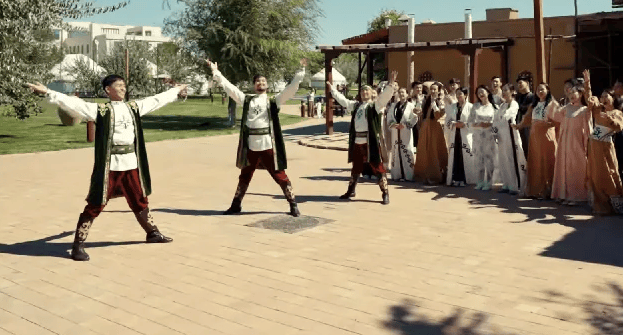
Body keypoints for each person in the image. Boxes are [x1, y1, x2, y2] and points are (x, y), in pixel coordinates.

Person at [25, 76, 187, 261]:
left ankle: (152, 233)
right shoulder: (100, 110)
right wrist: (48, 92)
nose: (123, 89)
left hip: (131, 163)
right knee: (96, 202)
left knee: (140, 199)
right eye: (118, 86)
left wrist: (176, 91)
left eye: (124, 85)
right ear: (108, 90)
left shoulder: (133, 107)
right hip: (110, 166)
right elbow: (73, 103)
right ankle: (78, 245)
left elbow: (156, 100)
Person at [209, 59, 306, 217]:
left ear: (267, 85)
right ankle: (236, 205)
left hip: (267, 144)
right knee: (245, 175)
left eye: (263, 81)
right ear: (254, 85)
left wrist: (300, 72)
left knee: (279, 174)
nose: (261, 83)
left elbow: (290, 89)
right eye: (258, 81)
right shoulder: (247, 100)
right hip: (251, 145)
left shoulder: (273, 100)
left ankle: (293, 204)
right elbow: (230, 88)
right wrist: (216, 72)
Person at [329, 72, 398, 204]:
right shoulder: (356, 105)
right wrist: (332, 89)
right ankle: (351, 190)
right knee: (356, 167)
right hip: (357, 141)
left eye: (367, 91)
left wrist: (390, 84)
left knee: (378, 167)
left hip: (370, 141)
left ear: (371, 93)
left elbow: (385, 97)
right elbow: (343, 101)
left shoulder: (375, 105)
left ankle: (385, 193)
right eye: (362, 91)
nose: (364, 93)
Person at [582, 70, 623, 215]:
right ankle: (600, 205)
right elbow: (588, 97)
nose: (603, 99)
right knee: (595, 175)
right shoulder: (597, 110)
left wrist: (610, 118)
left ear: (613, 99)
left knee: (609, 173)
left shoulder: (617, 113)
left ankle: (615, 204)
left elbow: (619, 127)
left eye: (607, 96)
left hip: (605, 147)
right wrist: (587, 82)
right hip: (593, 146)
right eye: (602, 96)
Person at [550, 82, 591, 206]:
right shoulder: (566, 108)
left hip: (577, 142)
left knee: (575, 167)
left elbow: (588, 128)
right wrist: (553, 103)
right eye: (570, 93)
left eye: (574, 92)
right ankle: (562, 194)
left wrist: (587, 143)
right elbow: (555, 116)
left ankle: (576, 196)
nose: (571, 95)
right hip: (564, 141)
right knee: (563, 166)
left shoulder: (584, 110)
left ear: (581, 94)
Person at [516, 82, 559, 200]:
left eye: (542, 89)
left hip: (547, 136)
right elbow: (526, 119)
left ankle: (549, 190)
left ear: (548, 90)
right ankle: (537, 190)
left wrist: (546, 124)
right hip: (534, 137)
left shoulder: (553, 104)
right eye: (538, 90)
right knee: (536, 161)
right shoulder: (533, 105)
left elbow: (558, 121)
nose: (540, 92)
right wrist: (518, 126)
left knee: (547, 160)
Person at [494, 84, 527, 195]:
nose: (503, 92)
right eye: (502, 90)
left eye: (506, 90)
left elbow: (507, 117)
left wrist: (500, 119)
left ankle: (515, 185)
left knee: (512, 158)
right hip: (501, 136)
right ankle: (506, 184)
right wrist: (495, 131)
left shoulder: (514, 104)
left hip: (511, 134)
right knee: (503, 159)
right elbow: (496, 120)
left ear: (512, 91)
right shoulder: (502, 105)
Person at [413, 82, 448, 185]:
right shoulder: (426, 100)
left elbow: (439, 115)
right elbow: (421, 113)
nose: (432, 91)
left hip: (435, 127)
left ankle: (436, 176)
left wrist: (434, 105)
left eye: (434, 89)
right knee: (424, 150)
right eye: (431, 89)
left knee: (434, 150)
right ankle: (424, 175)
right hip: (425, 127)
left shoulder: (441, 101)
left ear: (439, 90)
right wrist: (417, 110)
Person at [445, 88, 477, 186]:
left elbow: (474, 122)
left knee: (465, 157)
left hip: (466, 135)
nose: (458, 96)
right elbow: (447, 120)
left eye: (461, 94)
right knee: (455, 156)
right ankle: (455, 178)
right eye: (457, 94)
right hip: (455, 135)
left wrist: (465, 124)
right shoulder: (452, 107)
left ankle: (465, 179)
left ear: (466, 95)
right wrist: (453, 123)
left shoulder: (471, 107)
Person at [387, 84, 418, 182]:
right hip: (395, 132)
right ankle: (397, 175)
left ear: (407, 94)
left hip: (405, 132)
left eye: (403, 92)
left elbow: (415, 118)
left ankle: (408, 175)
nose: (401, 94)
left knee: (407, 151)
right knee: (396, 151)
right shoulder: (393, 106)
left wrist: (405, 125)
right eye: (399, 93)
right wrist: (393, 124)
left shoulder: (411, 106)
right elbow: (389, 117)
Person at [470, 86, 498, 190]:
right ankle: (480, 182)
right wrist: (478, 124)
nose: (480, 94)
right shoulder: (475, 106)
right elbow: (470, 121)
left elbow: (497, 122)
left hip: (489, 136)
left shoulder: (494, 107)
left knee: (489, 159)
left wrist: (489, 124)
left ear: (488, 92)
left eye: (482, 92)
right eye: (478, 93)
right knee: (478, 159)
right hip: (478, 135)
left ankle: (489, 182)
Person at [514, 75, 535, 158]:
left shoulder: (533, 97)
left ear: (527, 83)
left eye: (520, 83)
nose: (519, 85)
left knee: (528, 149)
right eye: (518, 83)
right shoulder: (517, 97)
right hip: (518, 125)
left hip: (528, 126)